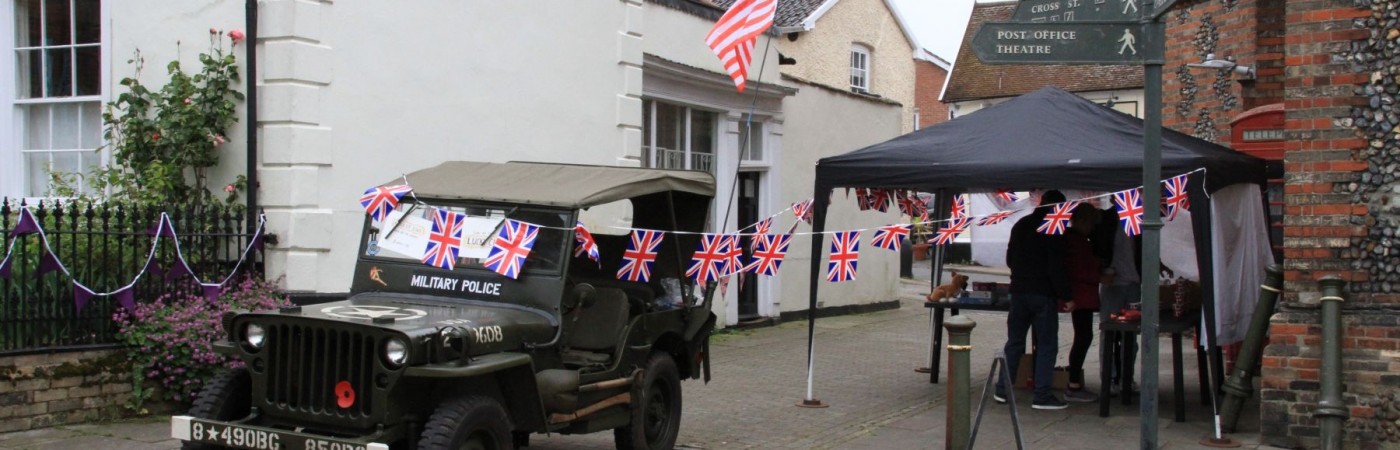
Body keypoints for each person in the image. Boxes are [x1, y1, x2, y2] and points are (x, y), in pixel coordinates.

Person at [995, 190, 1072, 410]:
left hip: (1019, 290)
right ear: (1059, 207)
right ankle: (1042, 395)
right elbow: (1056, 266)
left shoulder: (1021, 225)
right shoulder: (1055, 229)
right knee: (1047, 344)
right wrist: (1066, 295)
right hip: (1042, 292)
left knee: (1014, 342)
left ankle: (1003, 390)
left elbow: (1010, 259)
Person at [1062, 203, 1103, 403]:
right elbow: (1078, 269)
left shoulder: (1074, 239)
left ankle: (1074, 381)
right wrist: (1099, 273)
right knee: (1083, 337)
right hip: (1081, 295)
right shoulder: (1076, 241)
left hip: (1082, 294)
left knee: (1084, 336)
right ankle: (1073, 384)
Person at [1098, 213, 1143, 396]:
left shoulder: (1137, 218)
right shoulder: (1106, 220)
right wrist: (1104, 270)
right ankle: (1109, 379)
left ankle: (1126, 378)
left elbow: (1141, 248)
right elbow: (1099, 248)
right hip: (1113, 282)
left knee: (1130, 336)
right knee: (1108, 332)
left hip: (1133, 283)